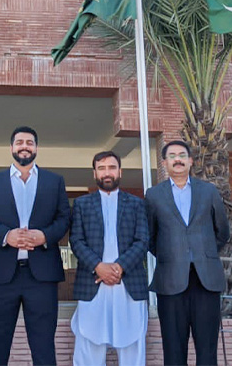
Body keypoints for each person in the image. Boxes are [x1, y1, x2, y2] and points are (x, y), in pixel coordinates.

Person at [0, 126, 70, 365]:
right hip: (0, 277)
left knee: (44, 345)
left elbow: (64, 218)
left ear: (36, 148)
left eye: (29, 142)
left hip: (42, 276)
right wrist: (7, 236)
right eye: (19, 142)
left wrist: (44, 236)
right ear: (11, 148)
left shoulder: (54, 181)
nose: (24, 146)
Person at [146, 140, 229, 366]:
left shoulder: (209, 191)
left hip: (206, 280)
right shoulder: (153, 195)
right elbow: (150, 237)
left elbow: (222, 231)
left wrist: (204, 253)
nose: (178, 159)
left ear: (191, 161)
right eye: (172, 156)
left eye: (182, 155)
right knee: (173, 350)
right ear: (164, 163)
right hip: (170, 281)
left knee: (207, 350)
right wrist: (172, 255)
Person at [69, 151, 149, 366]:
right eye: (102, 168)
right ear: (94, 172)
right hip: (93, 281)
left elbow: (142, 240)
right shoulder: (82, 204)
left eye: (112, 168)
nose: (107, 173)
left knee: (132, 346)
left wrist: (119, 267)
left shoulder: (137, 203)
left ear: (120, 171)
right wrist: (98, 266)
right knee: (89, 346)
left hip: (128, 282)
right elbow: (76, 241)